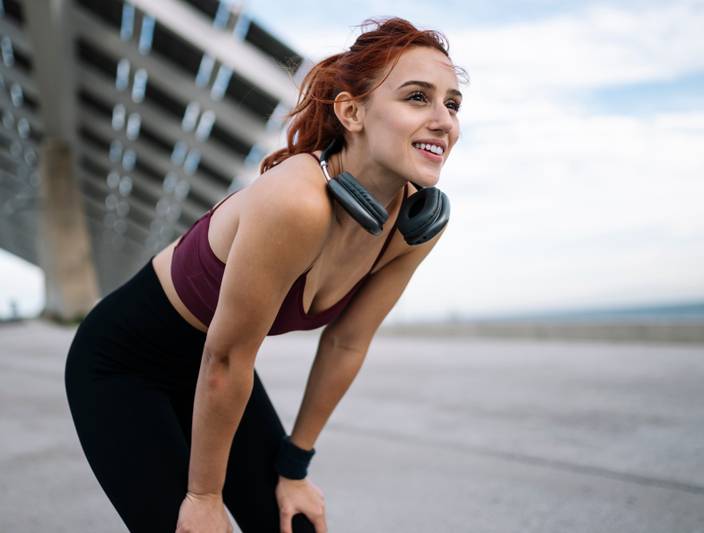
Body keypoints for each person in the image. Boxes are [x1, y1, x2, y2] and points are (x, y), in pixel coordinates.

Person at [64, 16, 467, 533]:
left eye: (452, 104)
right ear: (351, 111)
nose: (443, 121)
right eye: (417, 97)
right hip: (124, 365)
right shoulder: (296, 201)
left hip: (218, 368)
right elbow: (228, 356)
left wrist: (294, 469)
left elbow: (346, 343)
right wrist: (204, 496)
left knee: (292, 524)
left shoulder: (417, 225)